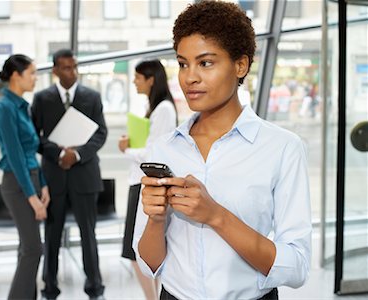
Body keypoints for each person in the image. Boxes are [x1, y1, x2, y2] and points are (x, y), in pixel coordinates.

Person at [133, 2, 312, 300]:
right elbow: (149, 263)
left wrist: (216, 215)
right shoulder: (163, 149)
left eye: (205, 63)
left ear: (240, 65)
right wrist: (156, 219)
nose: (189, 77)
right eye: (182, 63)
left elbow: (297, 266)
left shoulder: (282, 148)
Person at [31, 49, 107, 300]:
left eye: (74, 67)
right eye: (65, 68)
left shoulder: (92, 97)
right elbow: (35, 138)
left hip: (84, 176)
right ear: (54, 70)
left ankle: (95, 287)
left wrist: (77, 155)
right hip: (54, 179)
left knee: (89, 234)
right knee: (51, 236)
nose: (71, 72)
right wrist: (58, 154)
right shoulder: (42, 99)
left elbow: (100, 133)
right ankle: (49, 287)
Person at [118, 59, 177, 299]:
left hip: (144, 183)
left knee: (135, 253)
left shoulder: (163, 109)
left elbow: (153, 154)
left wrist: (126, 149)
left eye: (138, 77)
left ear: (151, 79)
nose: (134, 81)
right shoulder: (157, 108)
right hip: (141, 182)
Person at [0, 54, 50, 300]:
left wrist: (44, 185)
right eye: (32, 73)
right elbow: (16, 158)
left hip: (32, 178)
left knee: (27, 248)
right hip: (18, 183)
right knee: (33, 249)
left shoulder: (20, 105)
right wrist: (32, 197)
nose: (36, 78)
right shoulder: (6, 108)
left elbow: (30, 150)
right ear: (16, 76)